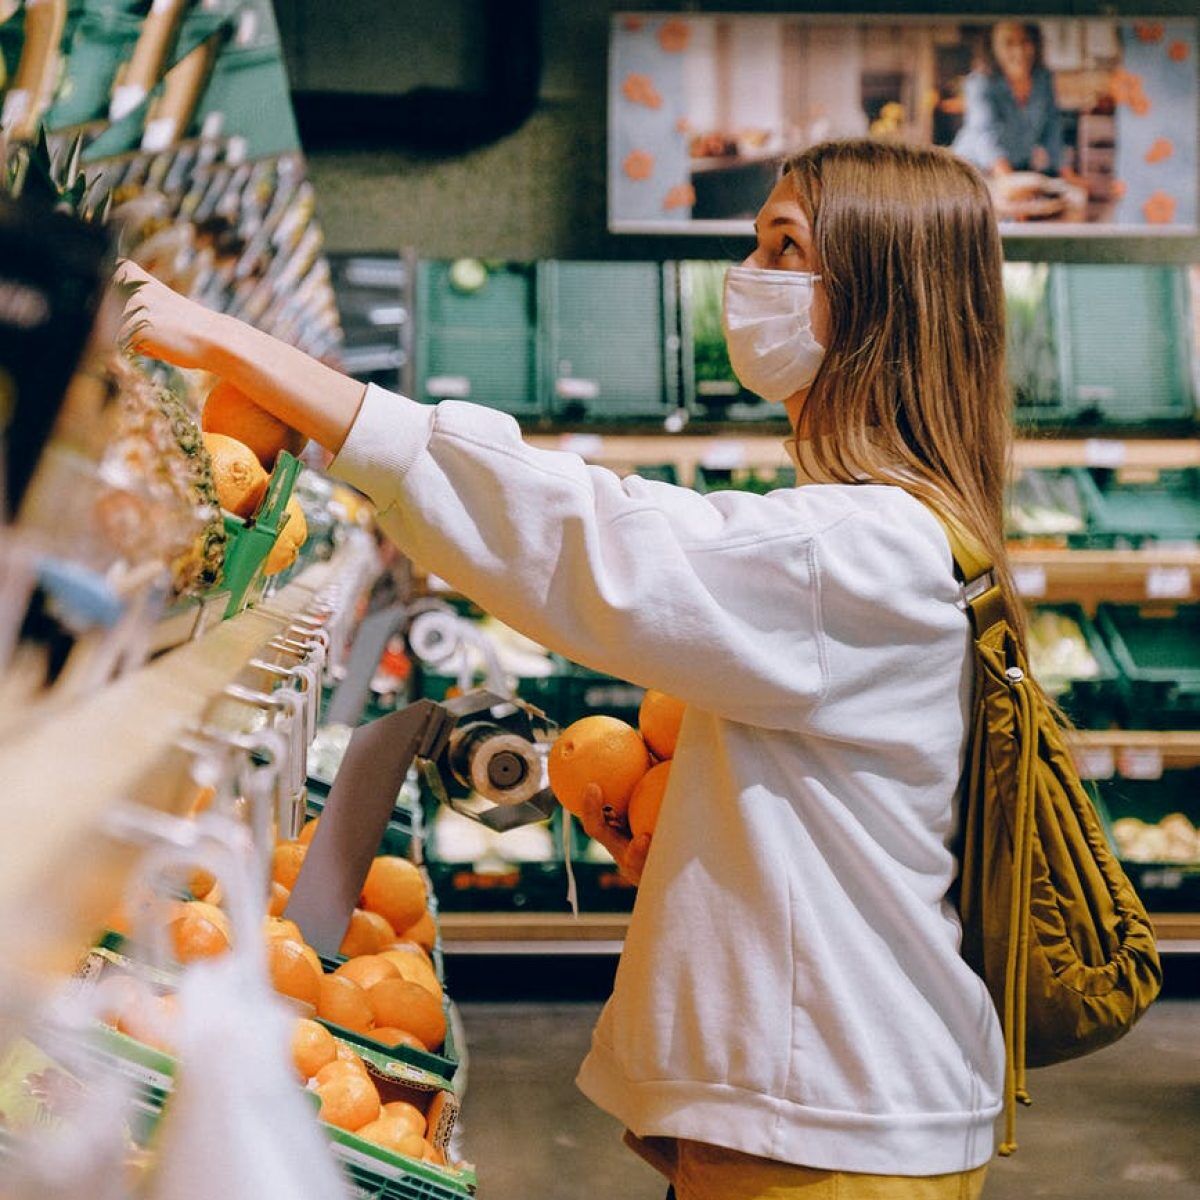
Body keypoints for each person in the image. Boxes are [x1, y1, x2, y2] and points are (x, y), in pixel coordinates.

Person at [123, 137, 1018, 1199]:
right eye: (756, 241)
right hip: (827, 1101)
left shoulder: (861, 548)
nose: (748, 276)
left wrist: (227, 343)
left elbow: (589, 535)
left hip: (838, 1121)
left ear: (881, 295)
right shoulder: (894, 531)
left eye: (786, 248)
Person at [952, 21, 1064, 177]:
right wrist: (1008, 179)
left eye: (1025, 41)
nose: (1019, 51)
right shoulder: (980, 83)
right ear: (992, 47)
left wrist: (1065, 172)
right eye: (1008, 43)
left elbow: (1053, 128)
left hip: (1016, 168)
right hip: (971, 171)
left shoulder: (1043, 79)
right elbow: (984, 134)